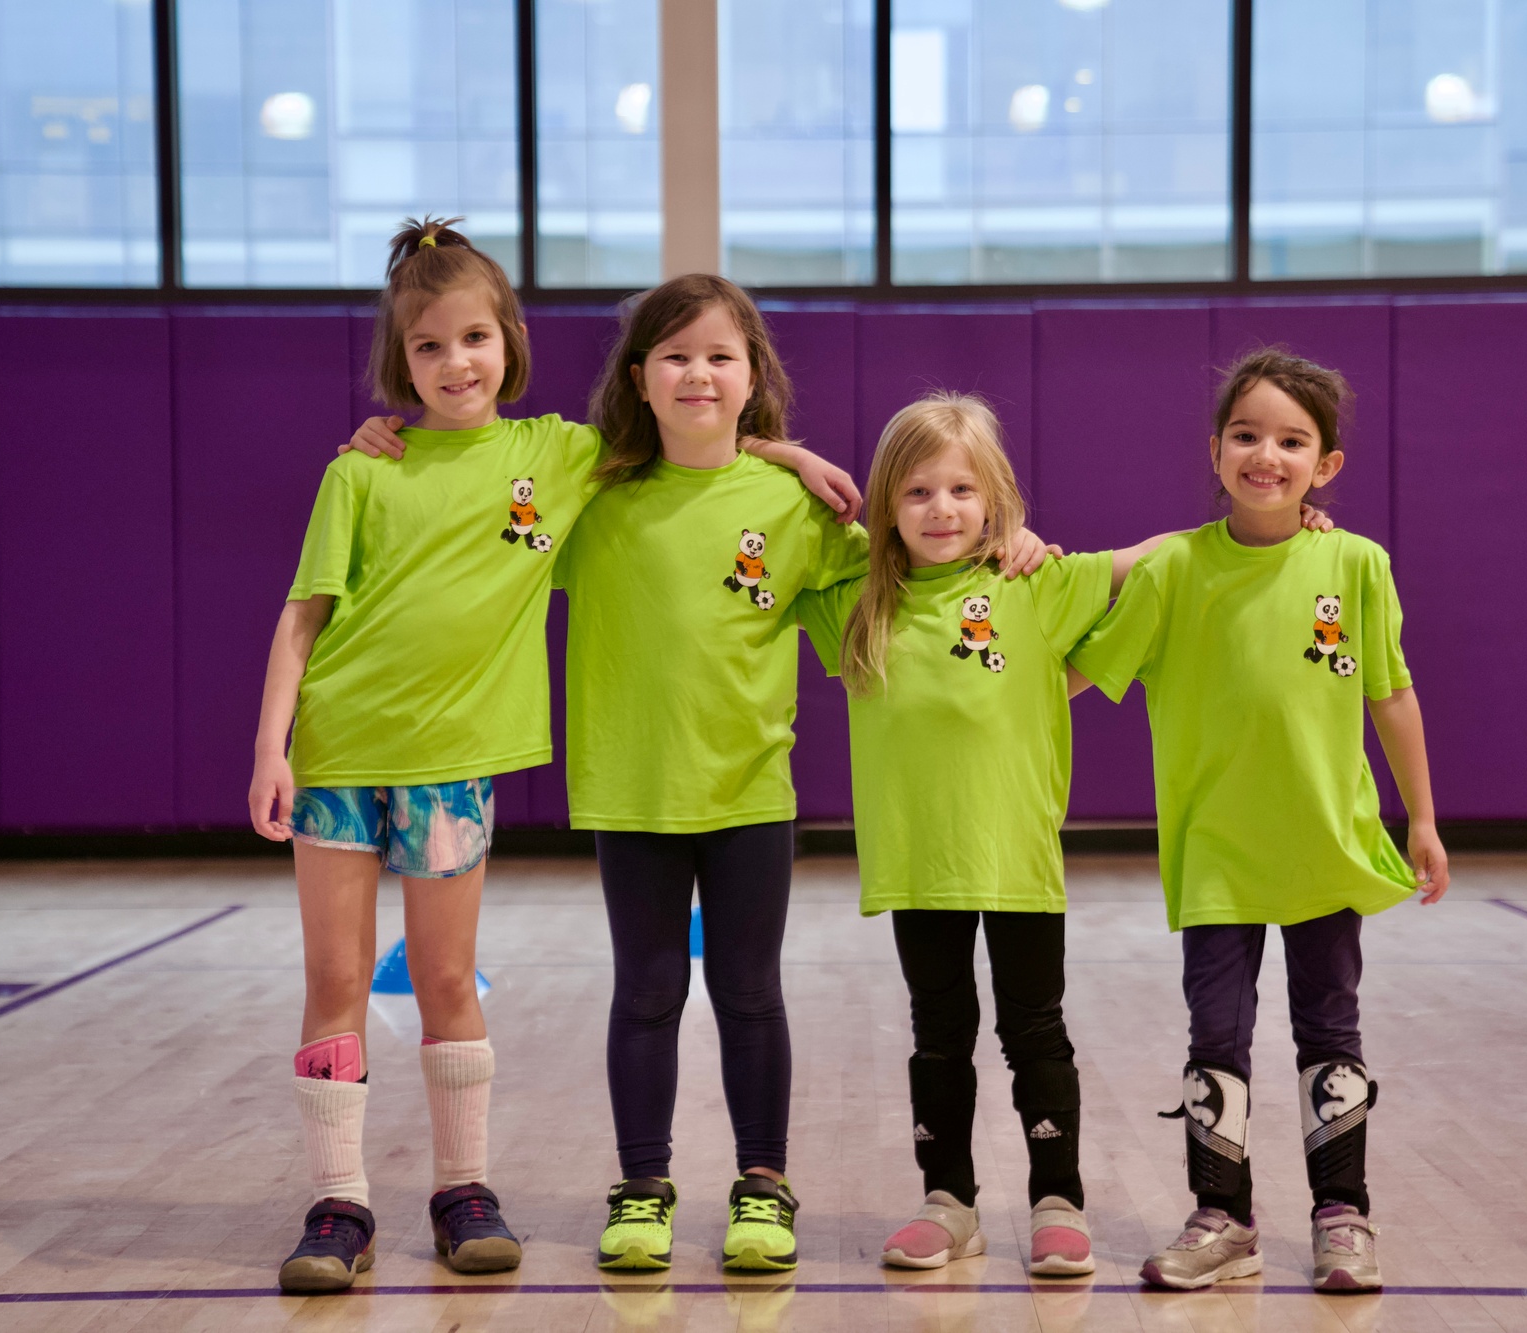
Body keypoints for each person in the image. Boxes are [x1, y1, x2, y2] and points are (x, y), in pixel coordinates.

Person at [252, 223, 851, 1293]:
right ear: (402, 360)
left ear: (509, 340)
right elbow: (304, 613)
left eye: (473, 338)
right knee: (349, 975)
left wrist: (785, 451)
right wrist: (270, 746)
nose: (455, 363)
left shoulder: (569, 460)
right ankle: (348, 1199)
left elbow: (698, 440)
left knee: (468, 976)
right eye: (428, 347)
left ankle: (478, 1187)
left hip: (526, 768)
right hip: (369, 756)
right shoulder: (425, 473)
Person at [551, 278, 1056, 1274]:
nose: (698, 372)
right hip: (631, 790)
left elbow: (916, 564)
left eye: (719, 355)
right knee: (645, 991)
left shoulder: (795, 508)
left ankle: (761, 1184)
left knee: (748, 993)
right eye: (674, 355)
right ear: (639, 378)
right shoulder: (591, 496)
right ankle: (643, 1186)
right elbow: (485, 487)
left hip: (747, 795)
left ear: (752, 377)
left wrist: (1010, 538)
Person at [797, 392, 1329, 1278]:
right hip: (916, 864)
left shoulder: (1033, 583)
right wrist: (788, 454)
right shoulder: (856, 600)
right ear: (887, 502)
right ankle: (949, 1200)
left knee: (1034, 1031)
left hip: (1019, 865)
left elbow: (1159, 556)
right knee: (939, 1033)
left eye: (964, 490)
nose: (942, 510)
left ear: (996, 500)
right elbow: (781, 536)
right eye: (919, 492)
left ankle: (1057, 1199)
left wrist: (1281, 517)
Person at [1067, 346, 1450, 1294]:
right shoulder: (1173, 570)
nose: (1265, 454)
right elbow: (1073, 674)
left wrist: (1425, 820)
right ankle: (1223, 1219)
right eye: (1246, 435)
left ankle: (1343, 1215)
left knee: (1331, 1029)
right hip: (1216, 855)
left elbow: (1392, 696)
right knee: (1217, 1038)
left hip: (1325, 841)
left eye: (1291, 440)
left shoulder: (1356, 564)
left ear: (1326, 466)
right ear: (1215, 448)